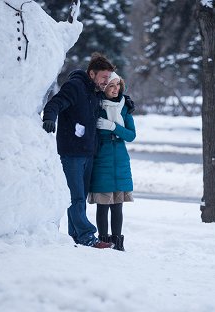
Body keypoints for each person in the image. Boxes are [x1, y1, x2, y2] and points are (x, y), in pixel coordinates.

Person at [42, 53, 115, 249]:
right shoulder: (75, 86)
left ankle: (75, 236)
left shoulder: (94, 92)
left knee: (79, 196)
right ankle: (86, 236)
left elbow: (113, 100)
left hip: (87, 151)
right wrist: (49, 118)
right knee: (75, 196)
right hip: (72, 151)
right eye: (104, 78)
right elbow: (55, 103)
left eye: (108, 78)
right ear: (92, 74)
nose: (106, 82)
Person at [88, 72, 136, 251]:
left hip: (121, 160)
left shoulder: (125, 107)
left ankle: (118, 243)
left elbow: (131, 135)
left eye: (118, 85)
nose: (116, 89)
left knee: (117, 205)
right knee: (103, 205)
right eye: (111, 85)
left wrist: (114, 127)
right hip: (102, 159)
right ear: (104, 87)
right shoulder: (96, 106)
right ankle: (103, 241)